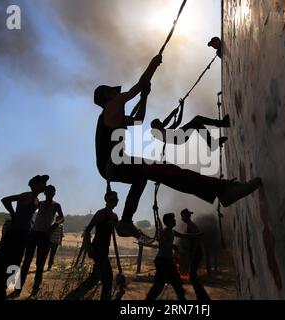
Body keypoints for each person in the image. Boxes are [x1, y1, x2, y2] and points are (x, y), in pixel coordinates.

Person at [94, 54, 262, 239]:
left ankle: (126, 220)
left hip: (112, 165)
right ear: (107, 96)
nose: (118, 94)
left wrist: (145, 96)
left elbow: (138, 119)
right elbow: (138, 86)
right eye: (114, 92)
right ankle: (223, 190)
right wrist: (153, 64)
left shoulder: (112, 117)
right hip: (114, 162)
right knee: (166, 172)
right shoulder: (111, 106)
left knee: (146, 176)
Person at [0, 175, 49, 300]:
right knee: (4, 263)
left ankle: (3, 290)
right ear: (34, 184)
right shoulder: (27, 196)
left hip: (23, 234)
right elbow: (5, 200)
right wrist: (13, 214)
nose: (44, 185)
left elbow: (28, 215)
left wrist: (30, 224)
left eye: (45, 183)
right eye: (42, 183)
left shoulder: (36, 200)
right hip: (15, 233)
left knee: (14, 264)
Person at [11, 185, 65, 298]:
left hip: (45, 235)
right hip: (34, 233)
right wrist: (31, 223)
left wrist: (55, 224)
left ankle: (35, 291)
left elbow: (62, 217)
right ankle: (17, 289)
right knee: (26, 263)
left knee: (40, 265)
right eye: (48, 192)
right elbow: (30, 212)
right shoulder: (39, 203)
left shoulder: (56, 205)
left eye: (52, 192)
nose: (50, 193)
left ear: (54, 193)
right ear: (45, 193)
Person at [65, 191, 119, 300]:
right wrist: (89, 247)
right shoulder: (101, 213)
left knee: (95, 278)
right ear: (109, 201)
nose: (116, 201)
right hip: (97, 247)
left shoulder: (114, 216)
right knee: (108, 277)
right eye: (114, 200)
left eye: (116, 200)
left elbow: (119, 231)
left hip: (105, 248)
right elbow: (88, 230)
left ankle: (72, 297)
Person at [146, 213, 201, 300]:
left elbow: (183, 235)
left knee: (177, 283)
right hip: (162, 261)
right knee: (159, 286)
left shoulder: (172, 231)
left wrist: (196, 235)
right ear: (168, 222)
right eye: (173, 219)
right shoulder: (164, 232)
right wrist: (172, 246)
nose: (175, 220)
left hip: (168, 261)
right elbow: (162, 244)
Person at [150, 104, 230, 150]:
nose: (161, 123)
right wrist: (172, 113)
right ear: (156, 126)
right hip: (180, 137)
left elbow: (178, 122)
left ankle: (222, 123)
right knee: (196, 122)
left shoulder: (163, 131)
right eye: (159, 123)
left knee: (197, 119)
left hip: (180, 135)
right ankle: (211, 142)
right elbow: (165, 123)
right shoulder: (157, 133)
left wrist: (182, 106)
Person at [180, 209, 210, 300]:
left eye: (182, 216)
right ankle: (201, 296)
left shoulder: (191, 226)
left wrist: (193, 252)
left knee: (192, 275)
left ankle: (202, 297)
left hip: (196, 252)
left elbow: (196, 240)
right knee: (192, 275)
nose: (181, 218)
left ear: (186, 216)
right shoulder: (190, 225)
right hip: (195, 252)